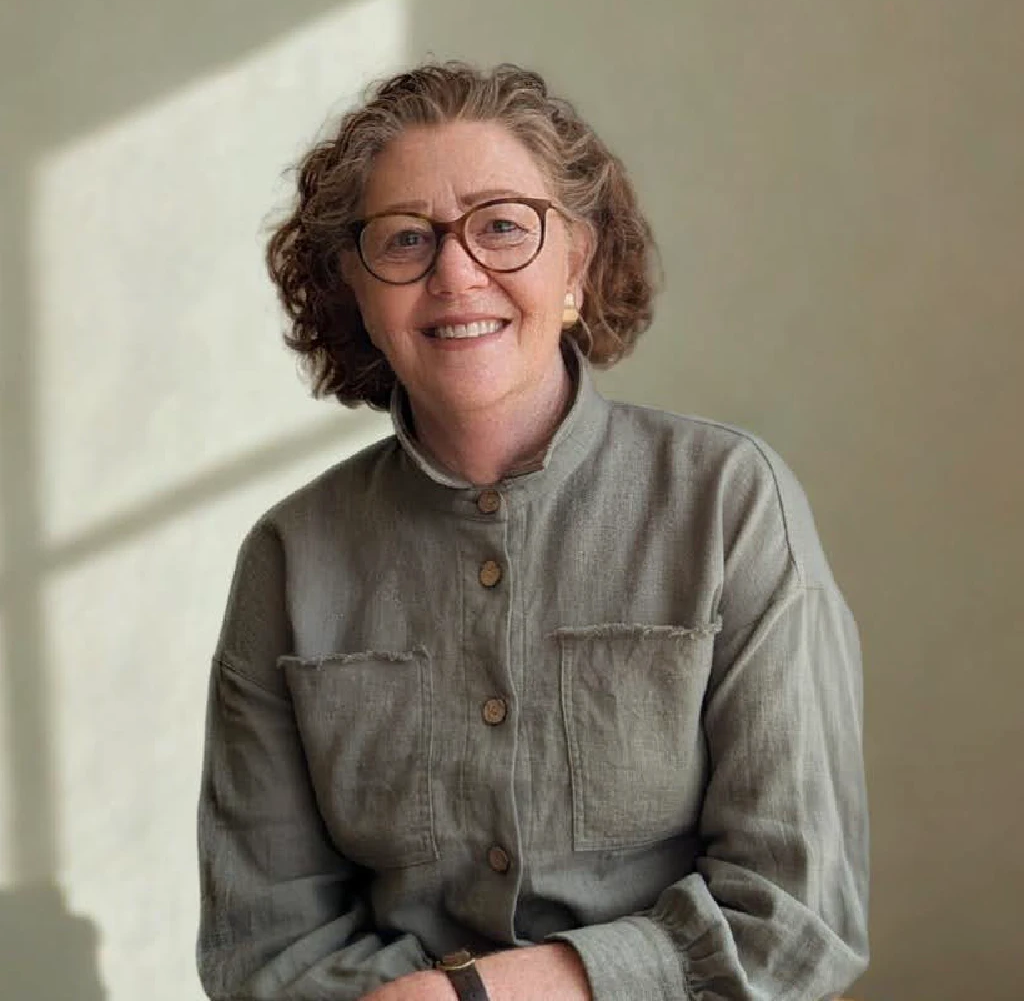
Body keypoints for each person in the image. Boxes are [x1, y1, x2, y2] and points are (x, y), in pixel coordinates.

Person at [196, 61, 869, 1001]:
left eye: (503, 226)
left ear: (576, 263)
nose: (455, 273)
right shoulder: (288, 556)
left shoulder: (729, 502)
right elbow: (262, 947)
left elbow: (796, 917)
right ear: (356, 289)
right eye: (405, 238)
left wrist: (476, 995)